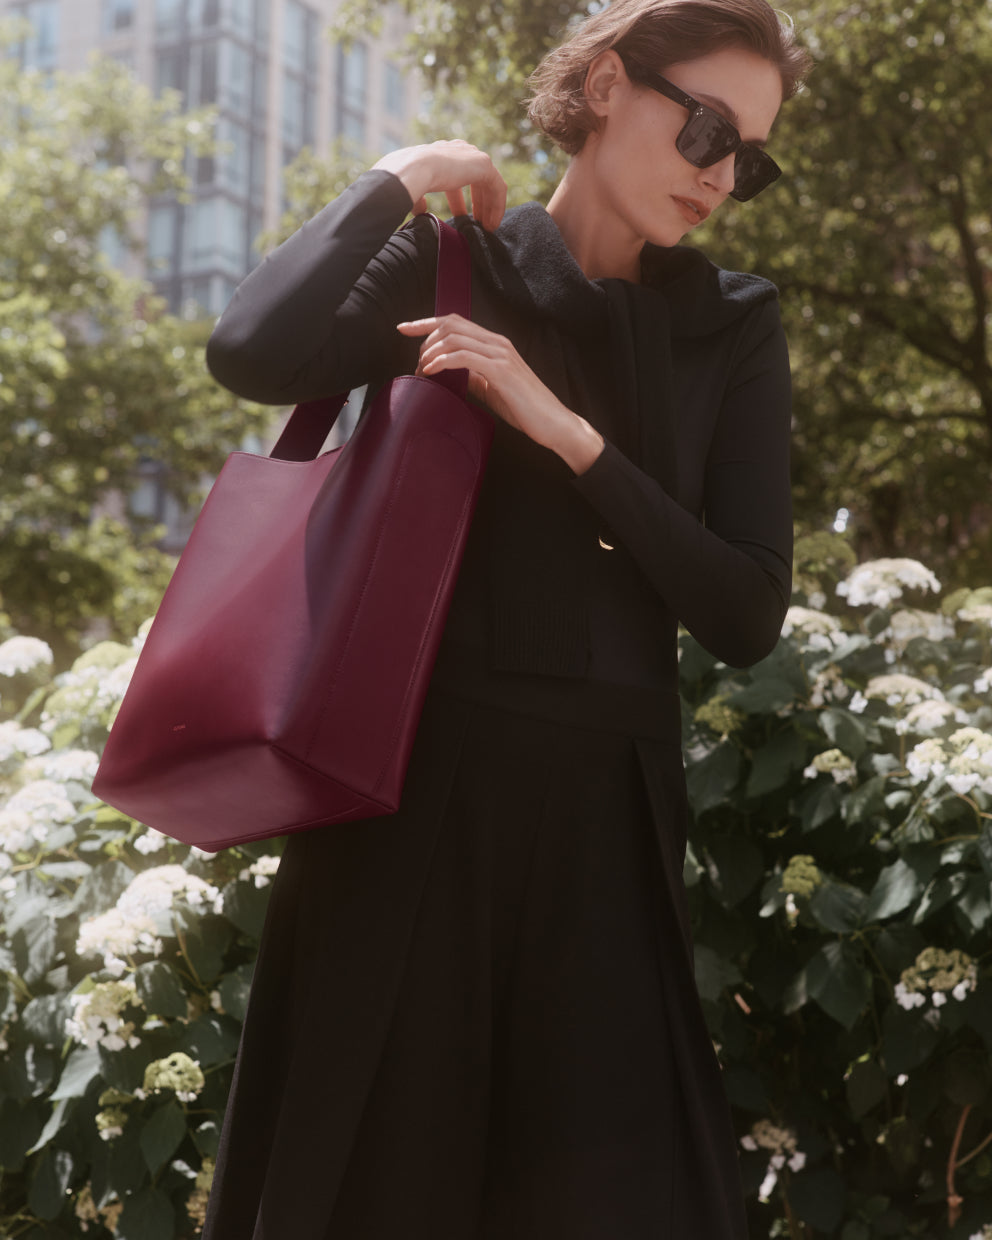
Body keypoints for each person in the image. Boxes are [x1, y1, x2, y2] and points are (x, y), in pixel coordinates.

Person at [201, 1, 812, 1236]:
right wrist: (401, 176)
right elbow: (252, 350)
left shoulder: (731, 326)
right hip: (407, 815)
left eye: (748, 154)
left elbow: (745, 609)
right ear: (600, 85)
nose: (720, 172)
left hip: (605, 837)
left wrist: (564, 433)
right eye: (704, 126)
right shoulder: (456, 265)